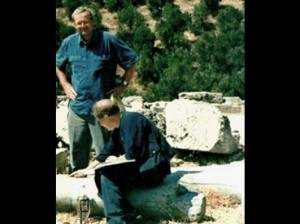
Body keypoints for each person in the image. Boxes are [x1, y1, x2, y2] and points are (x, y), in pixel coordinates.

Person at [56, 6, 139, 173]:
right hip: (77, 107)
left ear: (93, 22)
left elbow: (132, 61)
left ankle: (105, 187)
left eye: (85, 22)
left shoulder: (108, 40)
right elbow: (58, 66)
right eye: (79, 23)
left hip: (102, 109)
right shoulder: (69, 43)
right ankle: (77, 188)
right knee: (77, 151)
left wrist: (123, 86)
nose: (82, 26)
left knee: (105, 152)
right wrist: (65, 85)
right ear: (74, 24)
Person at [70, 99, 175, 224]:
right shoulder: (118, 128)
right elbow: (105, 153)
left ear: (106, 117)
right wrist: (87, 170)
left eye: (99, 122)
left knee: (107, 176)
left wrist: (115, 160)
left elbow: (132, 155)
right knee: (100, 174)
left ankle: (116, 221)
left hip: (155, 170)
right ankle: (127, 213)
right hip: (143, 169)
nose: (101, 125)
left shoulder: (132, 120)